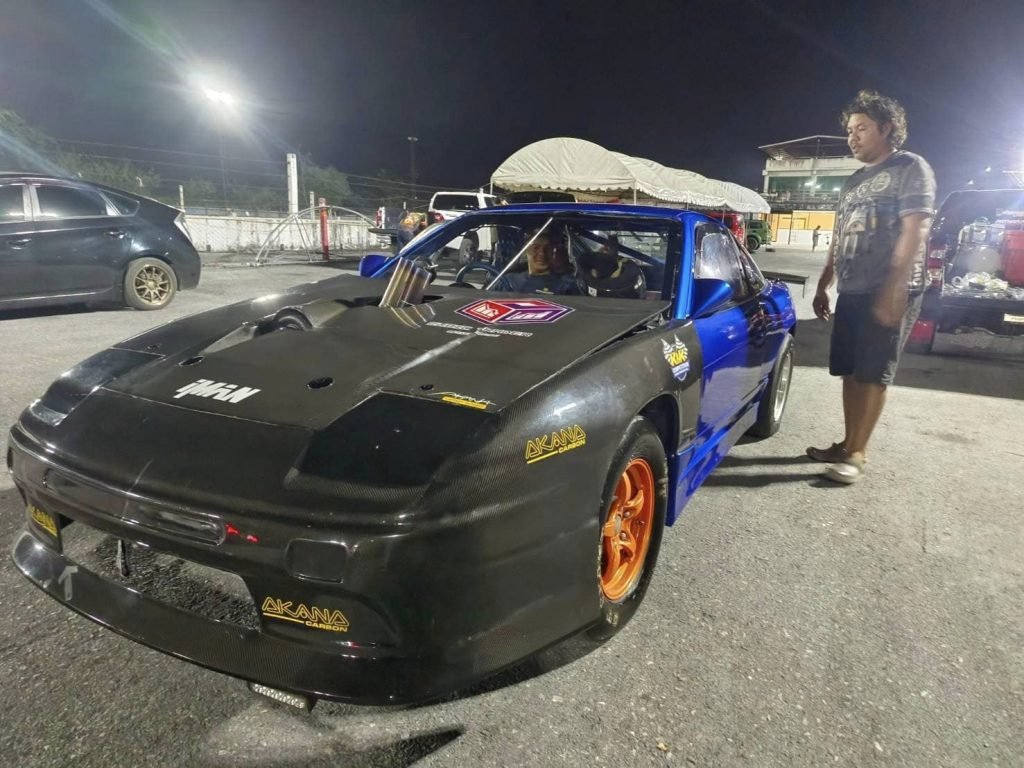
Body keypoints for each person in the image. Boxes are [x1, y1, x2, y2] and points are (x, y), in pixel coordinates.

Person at [809, 90, 936, 484]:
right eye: (850, 130)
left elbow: (916, 228)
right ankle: (848, 443)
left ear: (887, 128)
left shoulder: (910, 167)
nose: (853, 137)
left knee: (873, 372)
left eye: (861, 128)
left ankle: (858, 454)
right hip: (853, 288)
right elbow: (839, 235)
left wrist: (894, 287)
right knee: (850, 371)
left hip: (891, 288)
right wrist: (824, 283)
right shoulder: (853, 181)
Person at [504, 232, 576, 294]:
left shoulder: (566, 285)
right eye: (536, 248)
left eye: (547, 248)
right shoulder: (509, 281)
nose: (542, 253)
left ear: (553, 251)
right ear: (525, 250)